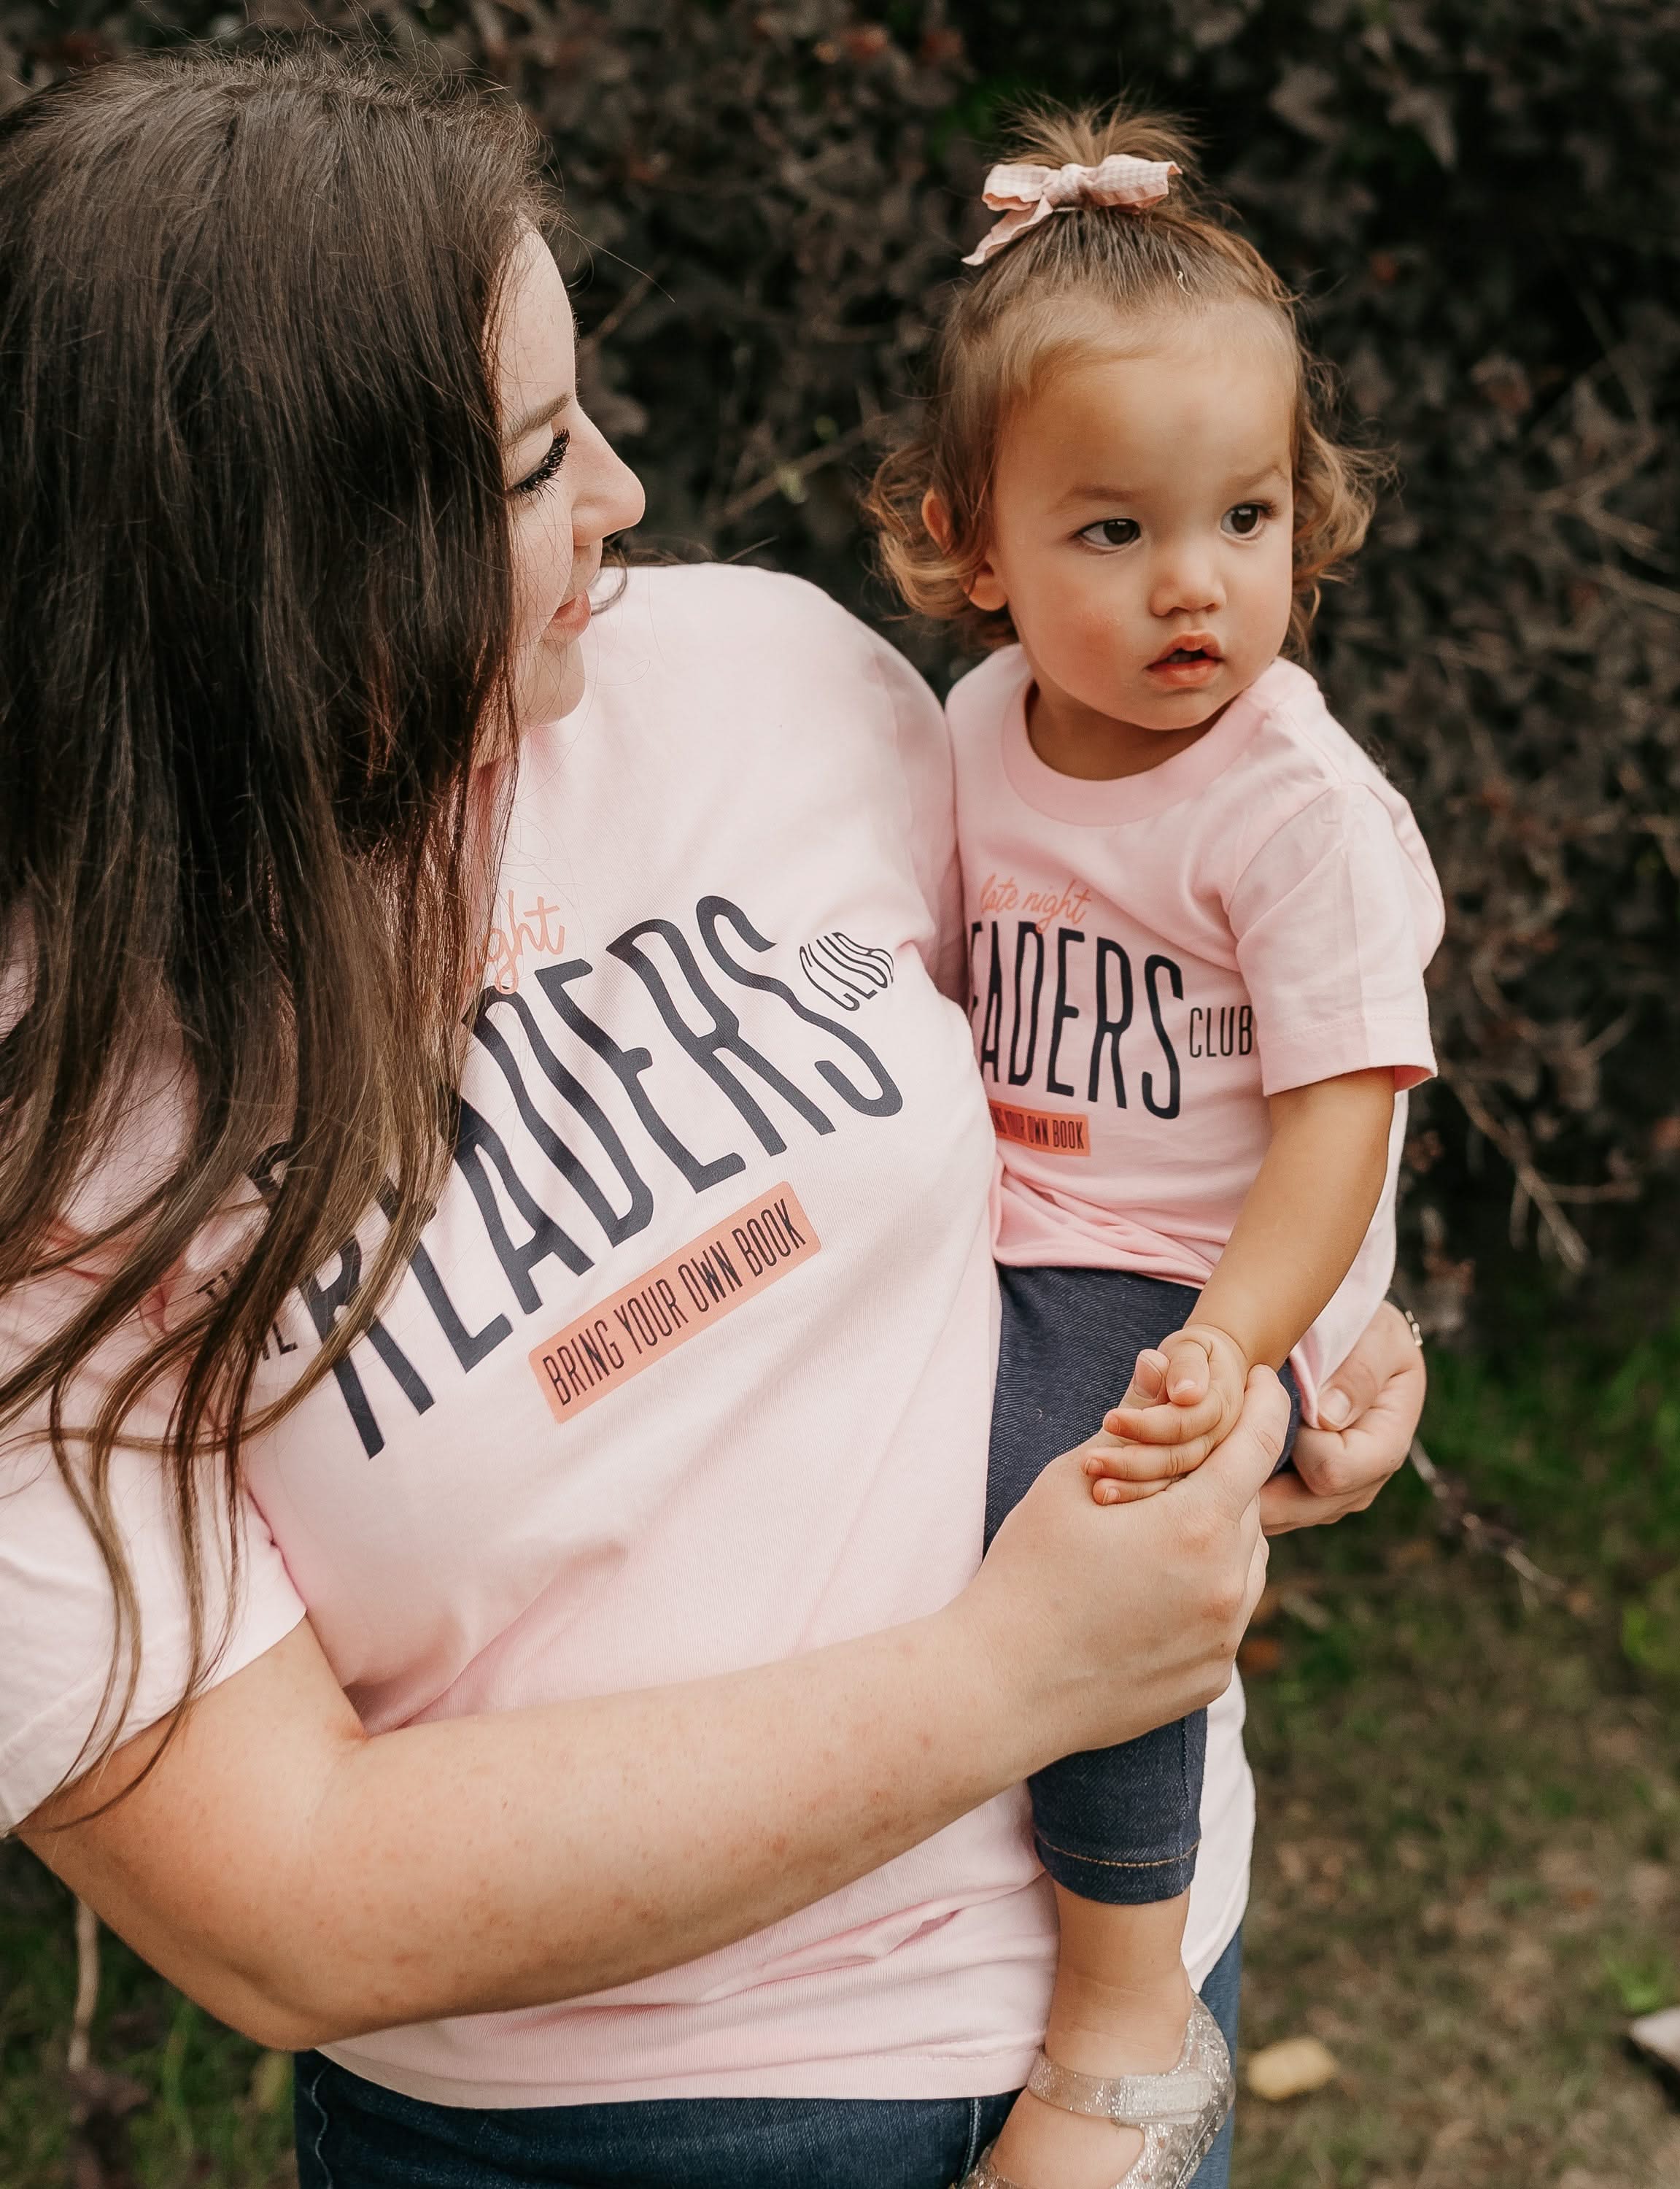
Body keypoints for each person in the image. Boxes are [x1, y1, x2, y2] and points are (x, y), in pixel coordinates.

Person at [0, 46, 1428, 2189]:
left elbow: (1141, 1082)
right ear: (271, 564)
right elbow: (278, 1897)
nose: (629, 501)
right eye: (536, 458)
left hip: (1127, 1972)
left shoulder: (777, 682)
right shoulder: (46, 1112)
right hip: (609, 2134)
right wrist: (1017, 1674)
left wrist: (1299, 1356)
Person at [866, 107, 1443, 2189]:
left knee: (1075, 1473)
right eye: (1112, 533)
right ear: (973, 541)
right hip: (1019, 1214)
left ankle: (1119, 2008)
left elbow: (1340, 1126)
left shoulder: (1291, 809)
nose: (1196, 585)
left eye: (1246, 517)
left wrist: (1229, 1343)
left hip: (1211, 1255)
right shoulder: (962, 733)